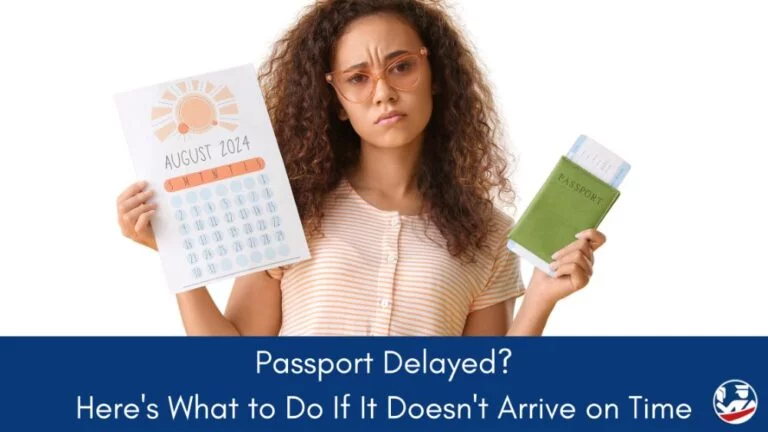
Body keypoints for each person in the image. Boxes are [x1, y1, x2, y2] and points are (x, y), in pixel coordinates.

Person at [116, 0, 606, 336]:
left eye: (401, 66)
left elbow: (486, 397)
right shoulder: (293, 210)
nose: (384, 92)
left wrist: (541, 298)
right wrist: (178, 258)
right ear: (334, 100)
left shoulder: (488, 235)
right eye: (357, 77)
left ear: (434, 74)